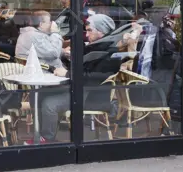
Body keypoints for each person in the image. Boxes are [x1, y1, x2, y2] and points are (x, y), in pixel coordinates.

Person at [33, 14, 122, 144]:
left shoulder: (109, 52)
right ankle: (42, 135)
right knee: (41, 94)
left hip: (91, 95)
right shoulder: (96, 47)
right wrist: (68, 60)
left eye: (90, 30)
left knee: (49, 103)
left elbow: (93, 78)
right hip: (81, 89)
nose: (86, 35)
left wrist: (67, 73)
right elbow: (84, 71)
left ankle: (47, 139)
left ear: (101, 32)